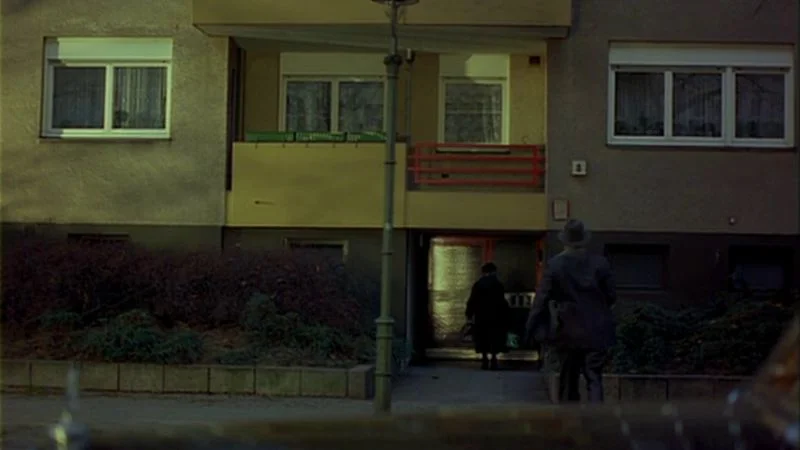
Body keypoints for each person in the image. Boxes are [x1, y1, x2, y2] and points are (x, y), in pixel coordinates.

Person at [525, 219, 617, 403]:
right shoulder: (600, 263)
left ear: (565, 241)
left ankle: (569, 416)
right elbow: (611, 296)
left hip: (568, 329)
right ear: (584, 240)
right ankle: (597, 416)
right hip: (597, 328)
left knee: (568, 379)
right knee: (594, 377)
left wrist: (530, 329)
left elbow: (541, 300)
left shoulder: (555, 265)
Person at [466, 262, 511, 370]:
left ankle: (484, 360)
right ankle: (494, 359)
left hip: (481, 315)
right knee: (494, 337)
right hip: (495, 316)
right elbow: (502, 302)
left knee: (482, 337)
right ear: (493, 272)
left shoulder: (478, 285)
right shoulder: (498, 285)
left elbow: (472, 300)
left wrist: (469, 314)